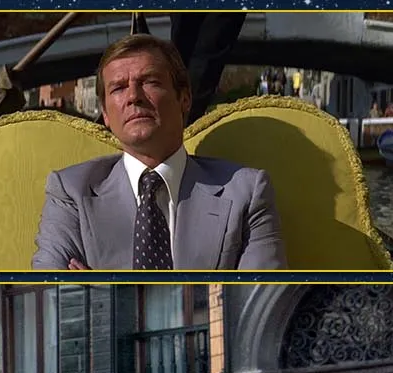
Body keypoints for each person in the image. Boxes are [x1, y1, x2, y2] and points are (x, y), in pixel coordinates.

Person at [32, 35, 285, 271]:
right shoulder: (70, 192)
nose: (133, 96)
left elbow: (260, 301)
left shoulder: (247, 192)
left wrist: (99, 288)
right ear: (106, 115)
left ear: (184, 98)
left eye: (150, 82)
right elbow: (52, 296)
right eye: (118, 88)